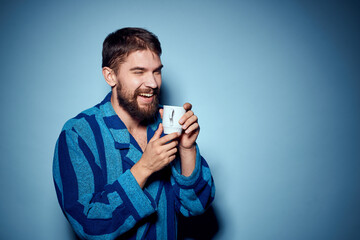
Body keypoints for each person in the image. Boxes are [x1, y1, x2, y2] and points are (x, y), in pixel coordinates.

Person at [53, 27, 215, 240]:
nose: (153, 83)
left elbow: (196, 206)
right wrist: (145, 167)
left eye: (157, 71)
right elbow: (89, 225)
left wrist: (187, 149)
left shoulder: (168, 125)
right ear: (110, 76)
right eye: (139, 72)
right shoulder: (78, 134)